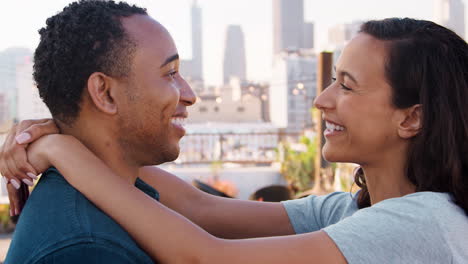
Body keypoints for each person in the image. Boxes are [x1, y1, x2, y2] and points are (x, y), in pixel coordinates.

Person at [2, 17, 468, 263]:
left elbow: (203, 257)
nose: (322, 101)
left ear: (412, 119)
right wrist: (72, 130)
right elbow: (199, 208)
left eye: (346, 85)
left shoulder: (423, 226)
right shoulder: (347, 213)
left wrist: (59, 149)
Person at [0, 1, 196, 263]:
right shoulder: (89, 249)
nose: (190, 96)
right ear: (104, 93)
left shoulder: (107, 192)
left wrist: (60, 144)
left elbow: (201, 212)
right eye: (170, 73)